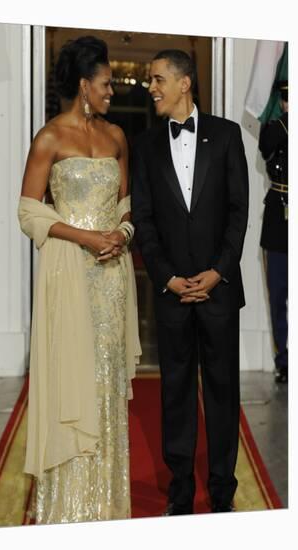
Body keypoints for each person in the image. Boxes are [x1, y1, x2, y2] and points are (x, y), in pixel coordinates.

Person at [17, 35, 141, 524]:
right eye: (107, 83)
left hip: (112, 280)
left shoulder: (116, 137)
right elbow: (28, 212)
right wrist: (85, 238)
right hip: (69, 274)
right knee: (72, 377)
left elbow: (128, 204)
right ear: (85, 84)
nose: (113, 91)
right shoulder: (50, 137)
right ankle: (66, 507)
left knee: (105, 381)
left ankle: (105, 504)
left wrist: (122, 233)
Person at [131, 49, 249, 515]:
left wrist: (218, 272)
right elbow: (144, 220)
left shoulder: (226, 135)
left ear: (184, 83)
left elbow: (239, 211)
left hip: (219, 291)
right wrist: (168, 278)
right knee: (176, 395)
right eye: (150, 80)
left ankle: (222, 495)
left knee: (222, 395)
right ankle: (179, 495)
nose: (152, 88)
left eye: (158, 79)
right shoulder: (145, 146)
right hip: (173, 295)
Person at [258, 80, 288, 383]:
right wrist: (288, 119)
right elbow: (266, 146)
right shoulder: (276, 128)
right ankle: (284, 360)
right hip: (279, 215)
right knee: (279, 292)